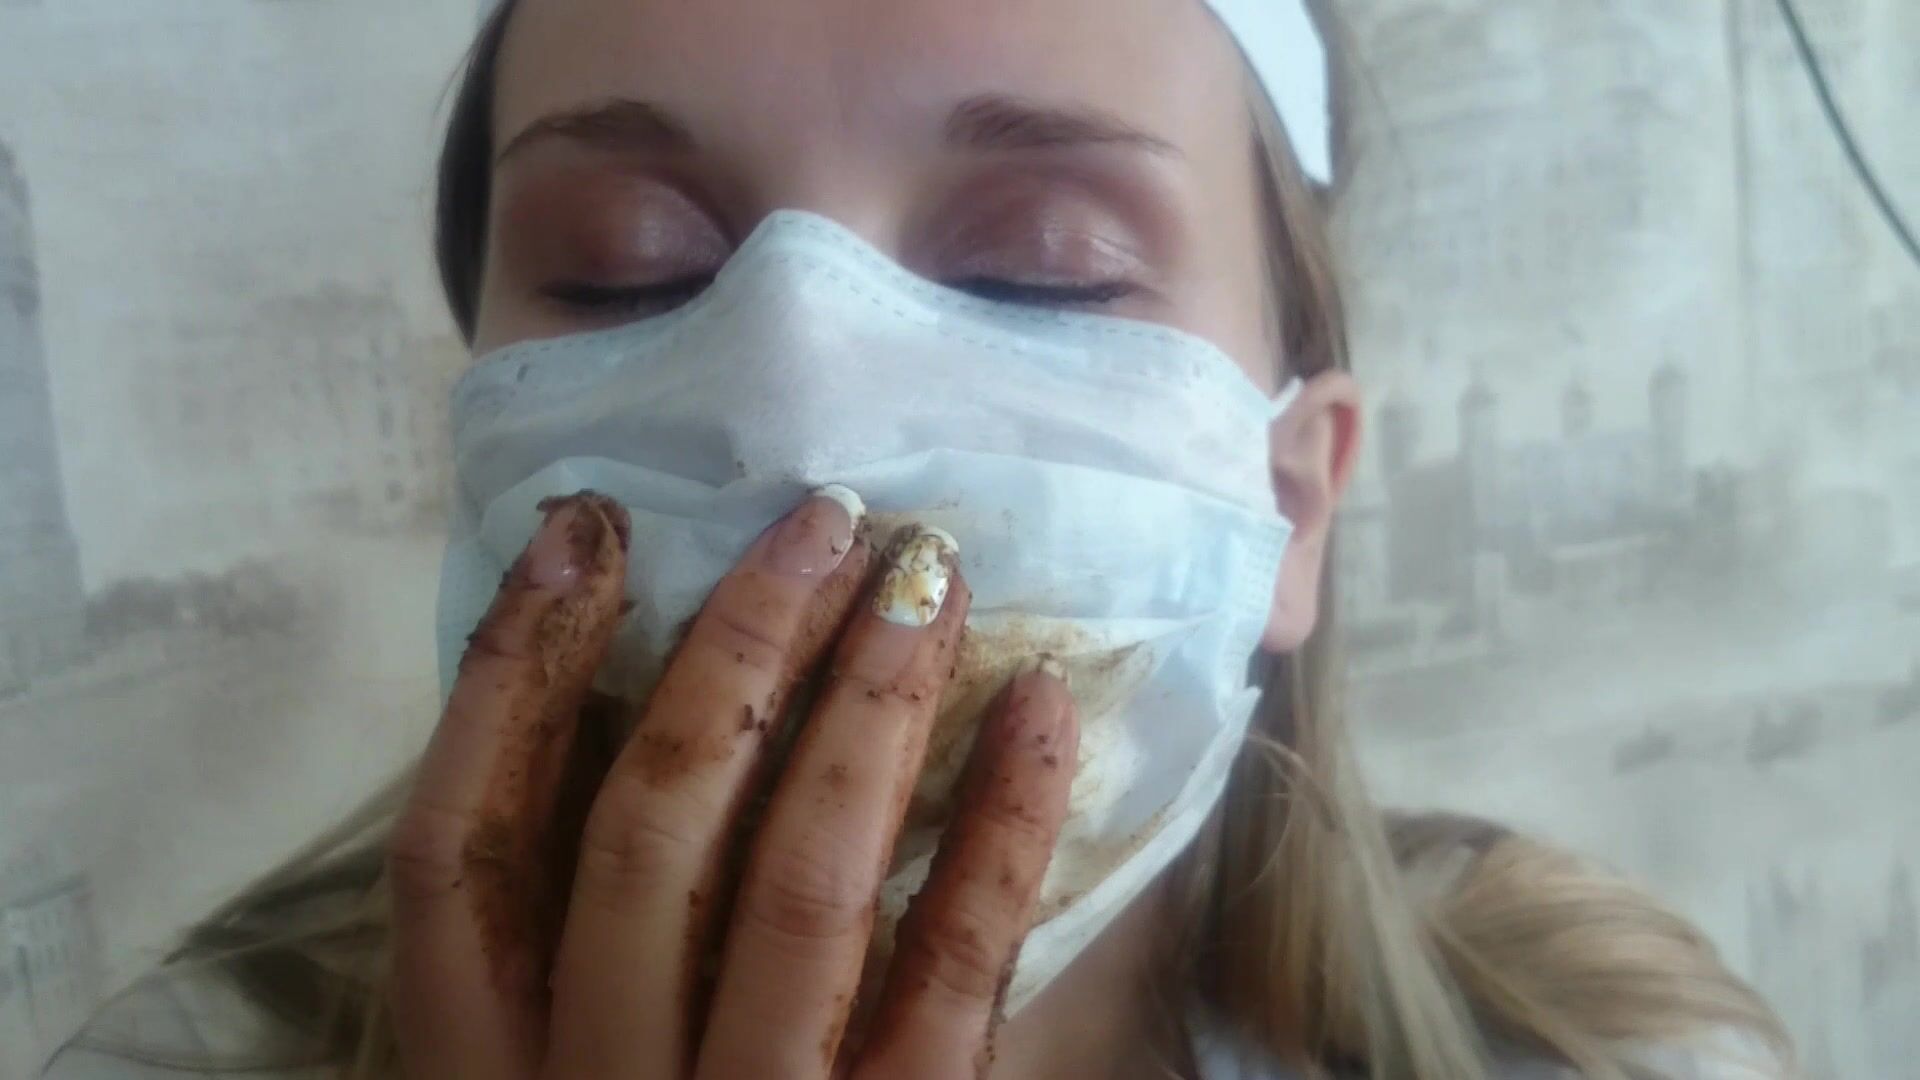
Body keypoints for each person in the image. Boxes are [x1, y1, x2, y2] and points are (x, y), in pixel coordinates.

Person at [62, 1, 1796, 1078]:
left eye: (1041, 269)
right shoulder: (172, 1060)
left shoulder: (1606, 1056)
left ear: (1293, 502)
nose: (801, 431)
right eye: (627, 269)